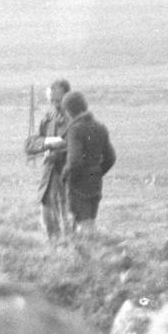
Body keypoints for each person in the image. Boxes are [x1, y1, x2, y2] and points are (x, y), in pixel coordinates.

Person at [59, 90, 116, 235]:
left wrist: (65, 176)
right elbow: (111, 157)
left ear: (68, 111)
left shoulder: (75, 129)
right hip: (95, 183)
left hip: (78, 185)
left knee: (82, 226)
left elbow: (74, 161)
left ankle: (87, 254)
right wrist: (96, 172)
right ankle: (93, 252)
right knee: (90, 221)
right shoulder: (100, 127)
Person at [24, 79, 71, 239]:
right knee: (49, 224)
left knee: (69, 225)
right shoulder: (48, 118)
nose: (55, 104)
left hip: (69, 180)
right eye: (52, 100)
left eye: (58, 100)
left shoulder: (77, 119)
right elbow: (29, 144)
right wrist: (48, 142)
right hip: (49, 180)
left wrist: (61, 149)